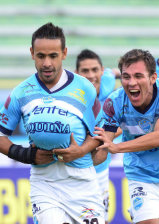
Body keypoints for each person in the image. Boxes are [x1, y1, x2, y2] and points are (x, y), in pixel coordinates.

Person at [0, 22, 105, 224]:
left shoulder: (85, 88)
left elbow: (100, 134)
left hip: (83, 183)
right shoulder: (21, 92)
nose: (47, 63)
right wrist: (26, 154)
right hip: (45, 183)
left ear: (64, 53)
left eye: (53, 56)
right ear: (32, 53)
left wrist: (81, 151)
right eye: (41, 56)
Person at [94, 49, 159, 224]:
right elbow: (103, 147)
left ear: (153, 78)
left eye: (138, 76)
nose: (131, 82)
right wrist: (74, 156)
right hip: (140, 173)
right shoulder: (114, 102)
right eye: (126, 76)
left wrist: (117, 147)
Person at [75, 49, 116, 224]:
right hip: (75, 170)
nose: (91, 75)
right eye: (85, 71)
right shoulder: (71, 96)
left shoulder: (108, 83)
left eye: (95, 70)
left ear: (101, 71)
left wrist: (105, 135)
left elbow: (113, 72)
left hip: (100, 170)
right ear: (76, 74)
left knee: (102, 219)